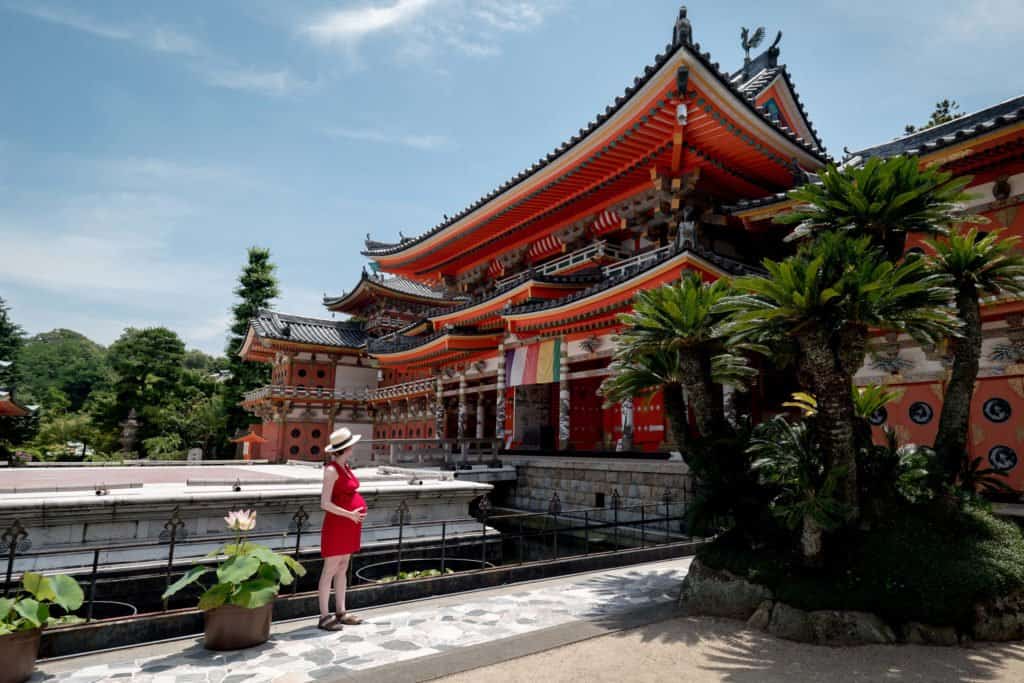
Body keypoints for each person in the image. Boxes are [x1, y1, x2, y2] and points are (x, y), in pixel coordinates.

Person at [317, 427, 368, 631]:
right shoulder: (331, 470)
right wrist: (350, 514)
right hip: (338, 523)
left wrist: (354, 515)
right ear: (346, 447)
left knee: (343, 567)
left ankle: (341, 610)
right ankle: (323, 615)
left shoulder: (345, 466)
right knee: (329, 569)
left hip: (350, 524)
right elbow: (324, 503)